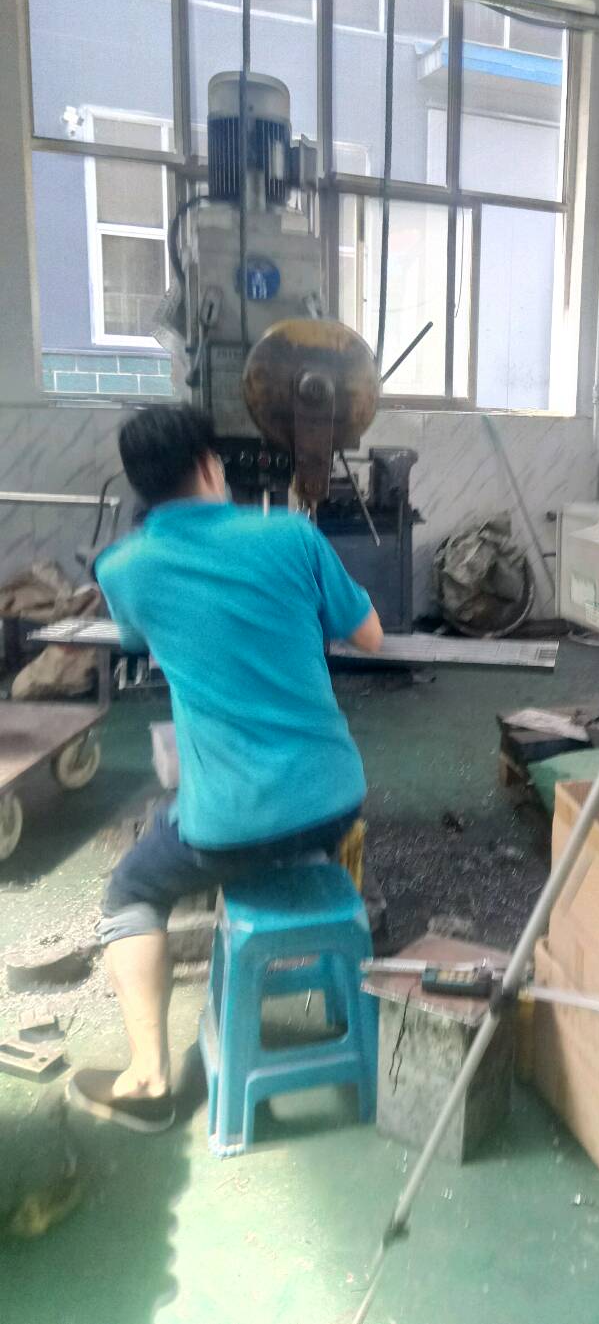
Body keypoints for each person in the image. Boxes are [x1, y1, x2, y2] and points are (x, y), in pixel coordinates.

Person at [68, 405, 383, 1134]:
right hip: (334, 803)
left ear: (142, 486)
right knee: (227, 826)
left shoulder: (123, 568)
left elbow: (141, 638)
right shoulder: (292, 535)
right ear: (212, 465)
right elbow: (369, 635)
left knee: (131, 889)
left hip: (228, 828)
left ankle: (149, 1078)